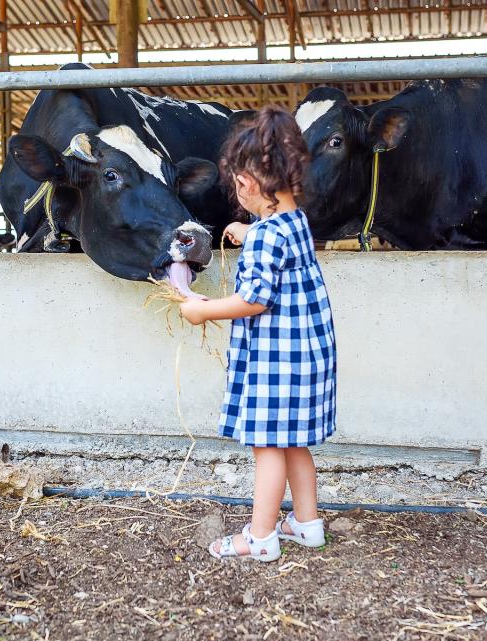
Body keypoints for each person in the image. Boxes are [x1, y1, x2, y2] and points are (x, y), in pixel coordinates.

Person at [179, 105, 337, 562]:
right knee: (294, 444)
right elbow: (275, 241)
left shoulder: (269, 237)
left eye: (236, 188)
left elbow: (255, 300)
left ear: (247, 183)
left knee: (268, 448)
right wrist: (248, 230)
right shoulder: (294, 223)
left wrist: (203, 311)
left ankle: (261, 536)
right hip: (306, 356)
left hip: (276, 361)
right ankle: (307, 525)